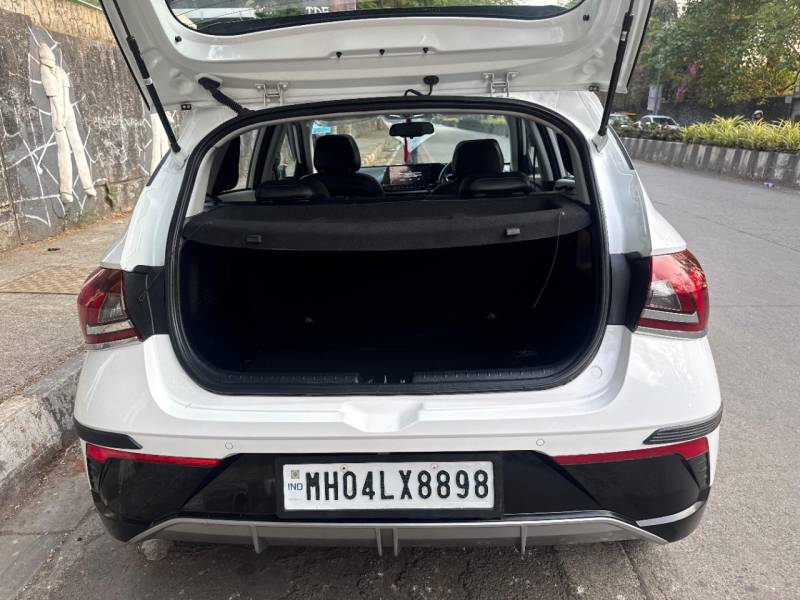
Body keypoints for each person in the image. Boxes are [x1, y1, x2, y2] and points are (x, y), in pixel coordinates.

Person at [38, 43, 96, 204]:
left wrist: (63, 115)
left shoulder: (60, 71)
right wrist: (59, 117)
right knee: (64, 149)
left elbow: (64, 95)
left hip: (66, 111)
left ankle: (87, 184)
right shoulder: (44, 71)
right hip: (57, 112)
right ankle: (66, 190)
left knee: (77, 147)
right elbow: (54, 97)